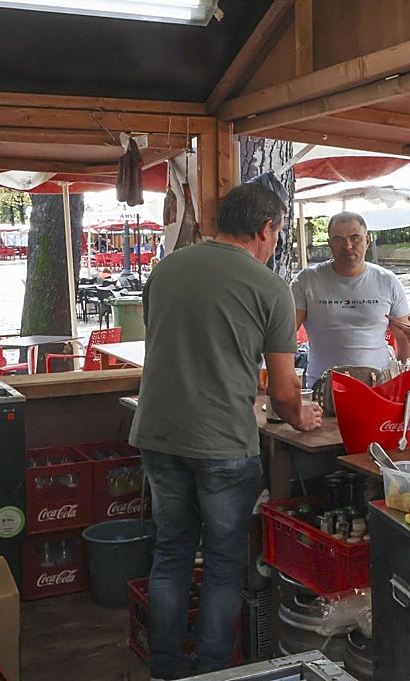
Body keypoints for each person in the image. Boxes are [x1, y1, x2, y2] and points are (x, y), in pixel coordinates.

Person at [130, 182, 321, 680]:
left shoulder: (165, 269)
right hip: (222, 442)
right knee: (222, 562)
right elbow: (283, 394)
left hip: (157, 432)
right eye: (277, 232)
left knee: (171, 552)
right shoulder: (270, 286)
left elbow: (170, 345)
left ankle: (166, 669)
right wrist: (303, 416)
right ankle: (213, 672)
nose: (276, 241)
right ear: (265, 229)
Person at [293, 211, 410, 388]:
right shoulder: (307, 280)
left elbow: (406, 340)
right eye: (339, 239)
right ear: (329, 244)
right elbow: (285, 336)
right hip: (323, 389)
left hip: (377, 387)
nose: (347, 246)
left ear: (367, 241)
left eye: (355, 238)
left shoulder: (387, 281)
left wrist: (401, 386)